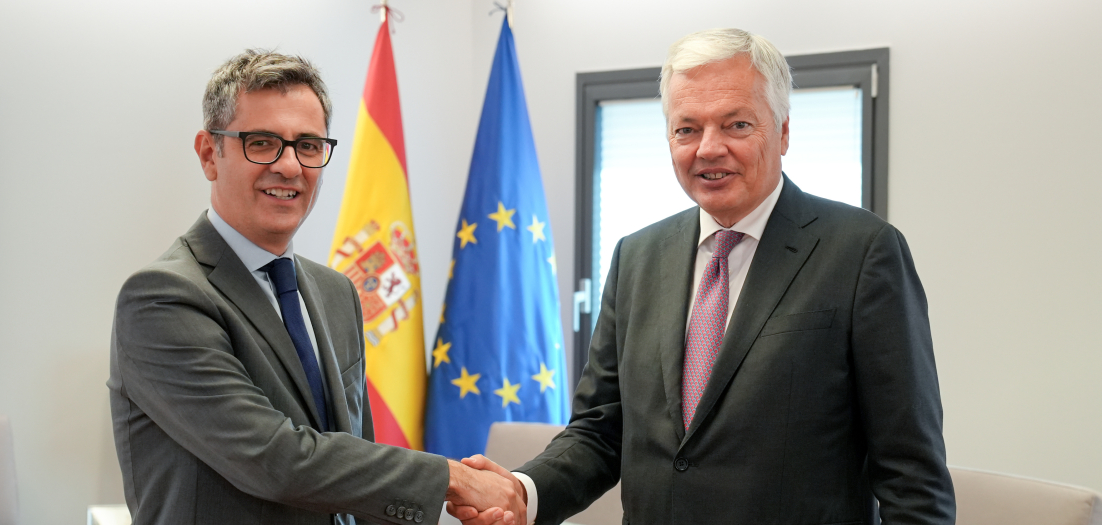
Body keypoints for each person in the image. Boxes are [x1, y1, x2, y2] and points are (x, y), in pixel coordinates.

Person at [452, 28, 956, 524]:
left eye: (737, 125)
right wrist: (524, 492)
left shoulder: (862, 251)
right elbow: (601, 430)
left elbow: (910, 474)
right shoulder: (636, 256)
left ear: (782, 132)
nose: (708, 148)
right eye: (686, 129)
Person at [108, 49, 523, 525]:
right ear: (209, 154)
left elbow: (353, 466)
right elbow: (275, 460)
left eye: (308, 145)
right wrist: (453, 478)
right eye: (262, 143)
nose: (289, 167)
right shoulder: (162, 297)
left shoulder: (335, 292)